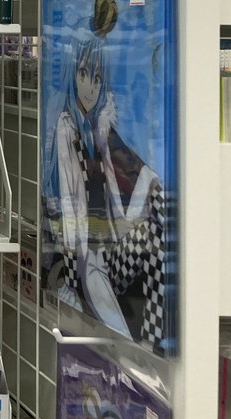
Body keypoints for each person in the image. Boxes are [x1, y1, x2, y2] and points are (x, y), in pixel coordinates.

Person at [48, 23, 167, 349]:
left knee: (157, 240)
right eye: (83, 74)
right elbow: (69, 204)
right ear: (72, 75)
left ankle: (151, 345)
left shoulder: (99, 129)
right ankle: (140, 352)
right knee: (121, 342)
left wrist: (149, 198)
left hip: (108, 252)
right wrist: (72, 270)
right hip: (84, 260)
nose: (90, 87)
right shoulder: (67, 130)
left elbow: (138, 173)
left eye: (97, 78)